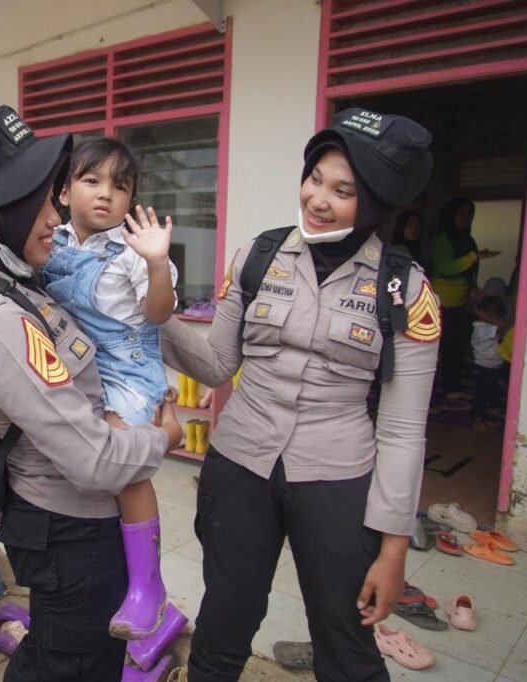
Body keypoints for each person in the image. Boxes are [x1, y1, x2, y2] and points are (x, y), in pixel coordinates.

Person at [160, 109, 439, 682]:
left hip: (337, 479)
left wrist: (393, 551)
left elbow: (402, 430)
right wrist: (153, 308)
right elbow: (217, 365)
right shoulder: (257, 257)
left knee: (345, 640)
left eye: (343, 191)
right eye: (315, 178)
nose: (318, 199)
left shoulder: (405, 290)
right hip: (240, 466)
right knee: (224, 622)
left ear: (377, 203)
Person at [0, 105, 183, 681]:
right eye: (41, 201)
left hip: (75, 520)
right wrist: (163, 438)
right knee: (73, 662)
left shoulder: (19, 275)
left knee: (58, 655)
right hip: (70, 528)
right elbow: (94, 458)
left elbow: (138, 320)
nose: (54, 216)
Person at [40, 137, 178, 639]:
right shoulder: (50, 241)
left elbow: (159, 313)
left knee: (123, 463)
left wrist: (157, 263)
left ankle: (148, 587)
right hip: (73, 364)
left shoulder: (134, 249)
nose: (105, 194)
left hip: (125, 369)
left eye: (119, 187)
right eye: (91, 180)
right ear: (63, 192)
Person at [430, 197, 499, 399]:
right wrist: (473, 257)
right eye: (461, 213)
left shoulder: (468, 240)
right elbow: (445, 268)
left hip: (460, 302)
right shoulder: (442, 239)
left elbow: (469, 272)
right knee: (439, 348)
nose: (465, 217)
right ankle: (436, 391)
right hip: (441, 303)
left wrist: (473, 288)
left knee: (456, 346)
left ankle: (452, 388)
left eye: (469, 213)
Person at [470, 296, 511, 431]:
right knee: (481, 394)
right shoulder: (482, 327)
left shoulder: (488, 326)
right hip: (484, 367)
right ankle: (477, 420)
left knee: (488, 393)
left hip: (491, 365)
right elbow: (503, 325)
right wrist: (483, 316)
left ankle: (482, 417)